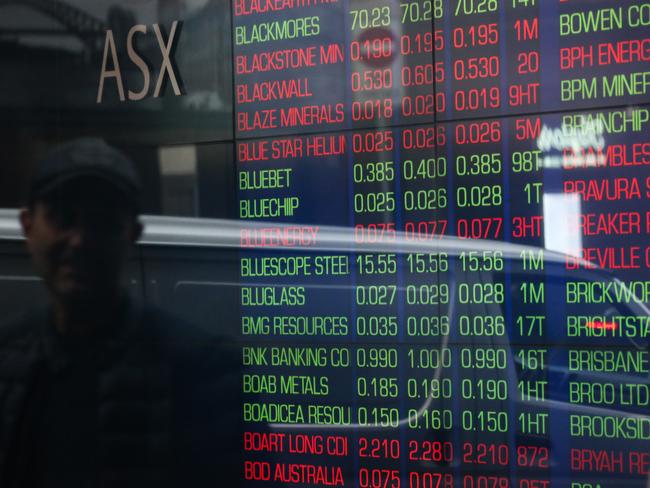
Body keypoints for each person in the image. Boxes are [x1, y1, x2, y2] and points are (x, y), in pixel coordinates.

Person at [0, 138, 242, 488]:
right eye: (63, 218)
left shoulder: (204, 372)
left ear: (133, 234)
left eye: (102, 222)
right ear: (27, 226)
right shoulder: (6, 360)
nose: (80, 240)